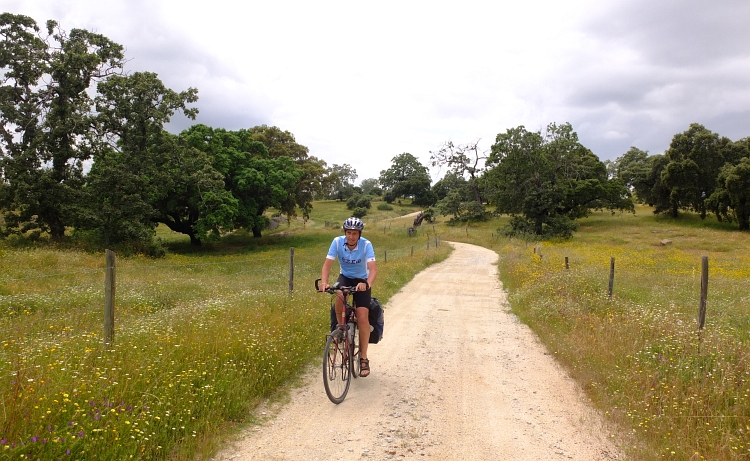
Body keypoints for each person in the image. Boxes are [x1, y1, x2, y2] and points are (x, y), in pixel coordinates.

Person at [319, 217, 377, 377]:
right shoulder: (337, 242)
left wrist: (367, 284)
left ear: (359, 234)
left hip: (361, 281)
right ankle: (341, 329)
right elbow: (327, 265)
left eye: (355, 233)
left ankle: (364, 358)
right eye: (349, 233)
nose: (351, 236)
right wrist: (324, 283)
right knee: (338, 294)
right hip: (344, 277)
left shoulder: (366, 245)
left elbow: (373, 270)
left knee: (362, 316)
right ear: (345, 233)